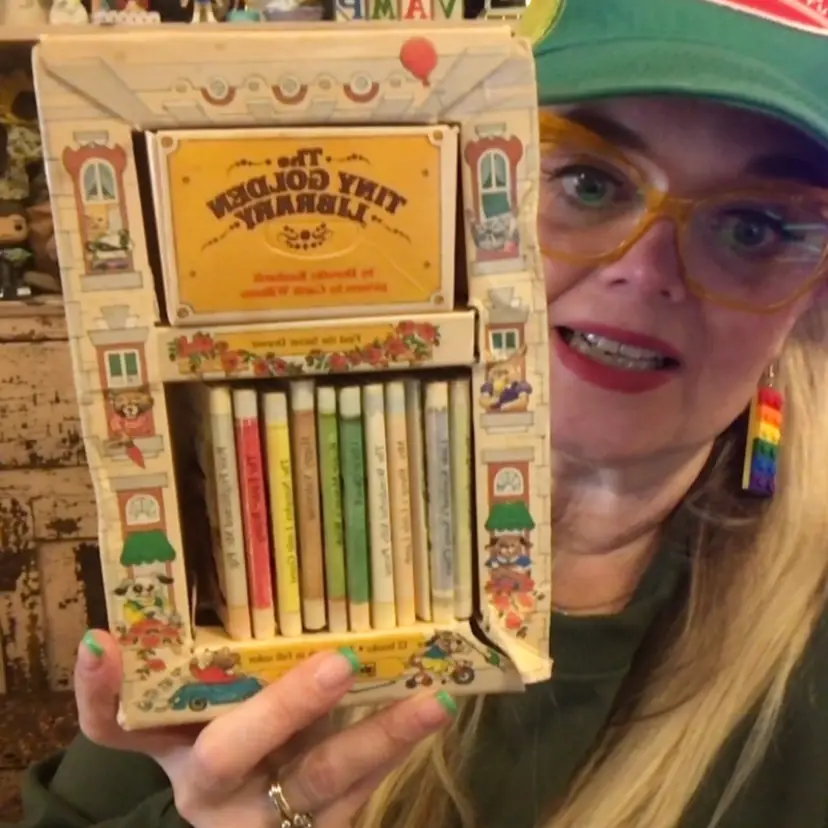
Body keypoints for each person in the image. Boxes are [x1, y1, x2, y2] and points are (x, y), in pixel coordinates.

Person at [9, 1, 828, 826]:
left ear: (813, 299)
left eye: (755, 228)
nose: (646, 271)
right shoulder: (253, 513)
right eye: (589, 181)